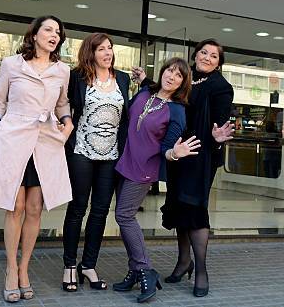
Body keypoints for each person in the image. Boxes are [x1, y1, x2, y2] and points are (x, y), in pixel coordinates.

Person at [0, 16, 73, 303]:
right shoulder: (11, 64)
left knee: (35, 208)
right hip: (15, 139)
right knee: (15, 205)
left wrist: (67, 121)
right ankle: (9, 268)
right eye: (48, 29)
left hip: (46, 142)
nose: (54, 35)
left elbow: (62, 102)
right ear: (34, 34)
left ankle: (24, 269)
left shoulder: (62, 70)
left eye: (58, 32)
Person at [132, 39, 234, 297]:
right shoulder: (187, 77)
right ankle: (183, 261)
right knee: (179, 206)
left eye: (213, 55)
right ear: (196, 54)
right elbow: (165, 92)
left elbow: (219, 126)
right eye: (203, 52)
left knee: (195, 208)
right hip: (176, 151)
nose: (207, 57)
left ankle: (201, 270)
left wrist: (218, 138)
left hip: (200, 155)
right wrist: (146, 81)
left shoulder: (221, 87)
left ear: (219, 62)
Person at [114, 57, 200, 303]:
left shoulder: (177, 111)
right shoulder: (147, 92)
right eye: (169, 71)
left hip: (143, 169)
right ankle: (134, 271)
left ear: (183, 83)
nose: (171, 76)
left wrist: (175, 153)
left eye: (178, 75)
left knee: (124, 216)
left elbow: (167, 148)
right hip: (123, 162)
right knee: (123, 217)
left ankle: (145, 270)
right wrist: (142, 77)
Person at [61, 33, 131, 292]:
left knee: (100, 211)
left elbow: (127, 116)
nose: (107, 53)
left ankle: (88, 264)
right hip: (81, 151)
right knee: (78, 208)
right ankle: (69, 264)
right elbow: (63, 107)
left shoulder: (122, 79)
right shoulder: (77, 77)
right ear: (91, 52)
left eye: (110, 48)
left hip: (111, 155)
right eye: (101, 49)